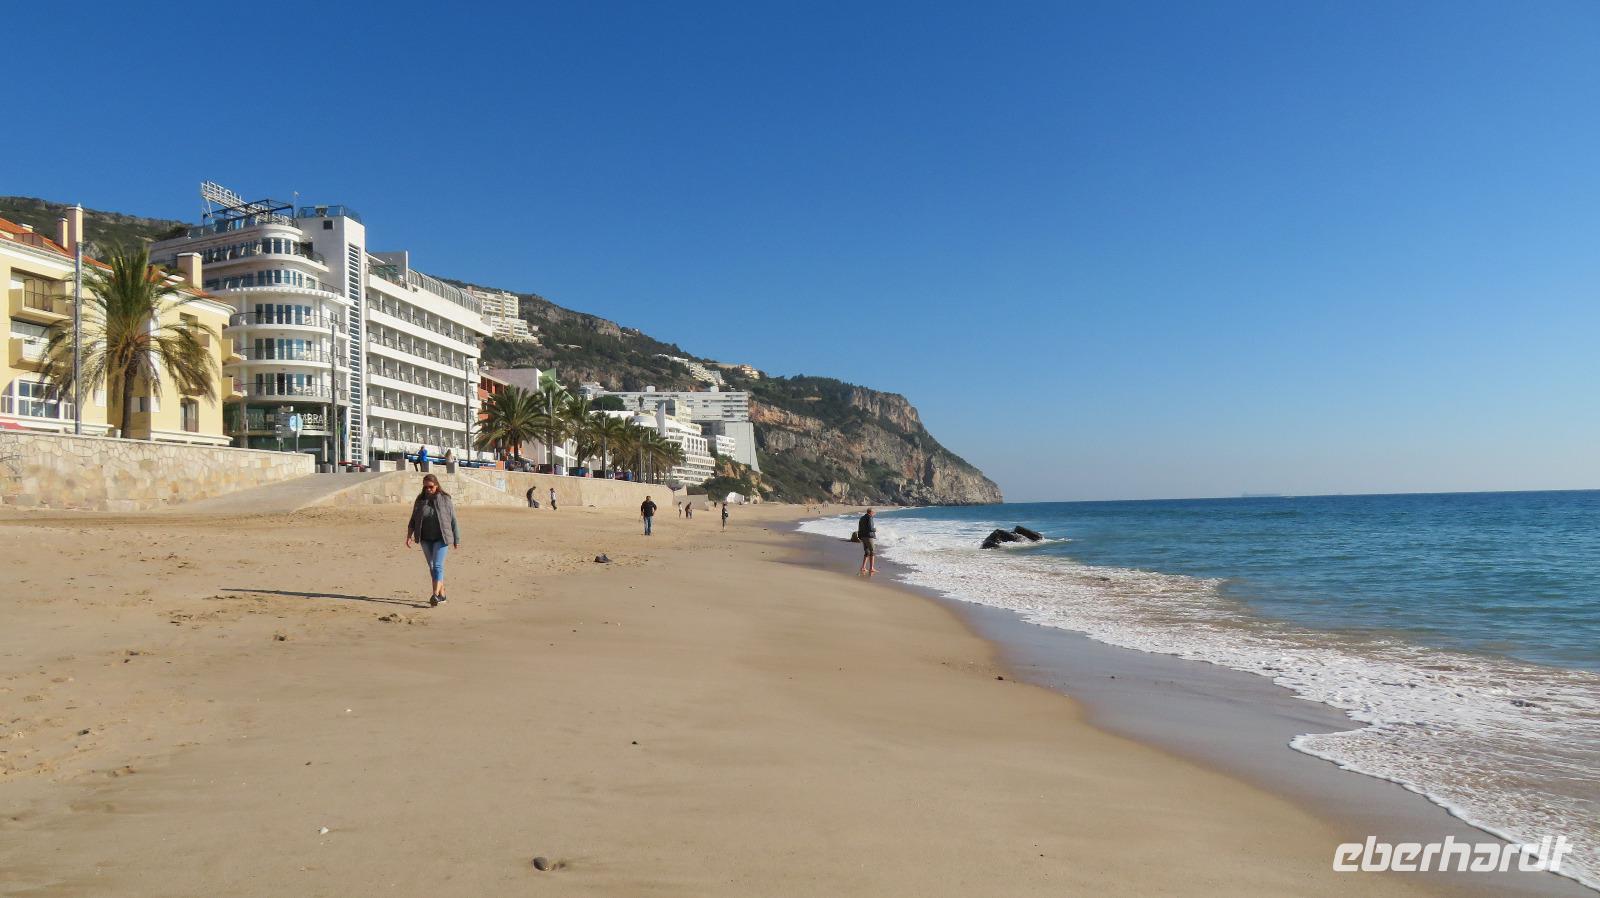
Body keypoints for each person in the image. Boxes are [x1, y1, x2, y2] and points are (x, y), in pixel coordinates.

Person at [404, 474, 460, 607]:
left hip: (442, 538)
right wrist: (409, 536)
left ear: (436, 485)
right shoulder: (420, 500)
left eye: (431, 487)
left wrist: (456, 538)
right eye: (425, 487)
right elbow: (413, 520)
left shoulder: (445, 499)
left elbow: (453, 520)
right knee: (432, 566)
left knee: (438, 565)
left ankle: (434, 595)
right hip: (425, 538)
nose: (428, 489)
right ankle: (442, 594)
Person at [857, 508, 878, 575]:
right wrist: (875, 529)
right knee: (872, 551)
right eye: (874, 512)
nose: (875, 513)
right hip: (868, 537)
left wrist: (859, 536)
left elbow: (859, 528)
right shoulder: (870, 517)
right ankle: (871, 568)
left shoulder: (862, 518)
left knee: (867, 552)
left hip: (863, 536)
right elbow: (870, 528)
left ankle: (863, 567)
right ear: (871, 512)